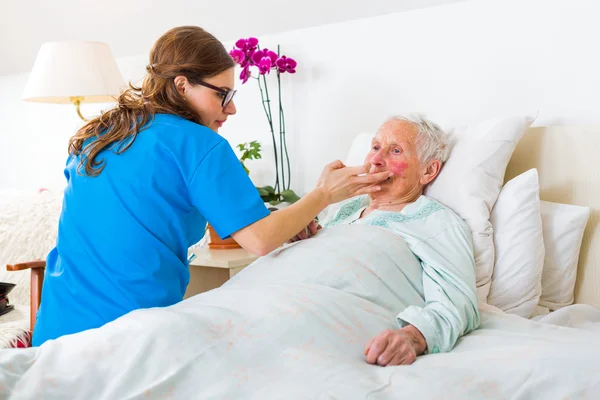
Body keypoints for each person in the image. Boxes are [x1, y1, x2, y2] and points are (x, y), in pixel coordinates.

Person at [31, 26, 391, 346]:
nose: (230, 110)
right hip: (124, 337)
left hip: (54, 332)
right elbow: (260, 240)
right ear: (182, 85)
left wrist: (281, 220)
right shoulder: (200, 143)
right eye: (223, 94)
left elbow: (136, 209)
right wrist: (323, 194)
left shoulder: (100, 134)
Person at [293, 115, 481, 367]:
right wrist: (301, 233)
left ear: (428, 170)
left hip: (327, 320)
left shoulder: (435, 221)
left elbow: (457, 304)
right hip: (286, 296)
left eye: (395, 150)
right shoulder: (344, 209)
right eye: (375, 147)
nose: (375, 160)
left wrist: (413, 337)